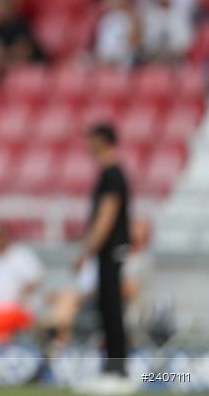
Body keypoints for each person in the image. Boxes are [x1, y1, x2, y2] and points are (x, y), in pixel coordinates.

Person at [73, 123, 135, 395]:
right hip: (107, 250)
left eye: (91, 139)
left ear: (103, 141)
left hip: (111, 249)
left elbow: (106, 216)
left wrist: (86, 250)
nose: (88, 145)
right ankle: (112, 367)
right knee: (107, 309)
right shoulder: (108, 174)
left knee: (112, 309)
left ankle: (117, 370)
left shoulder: (112, 174)